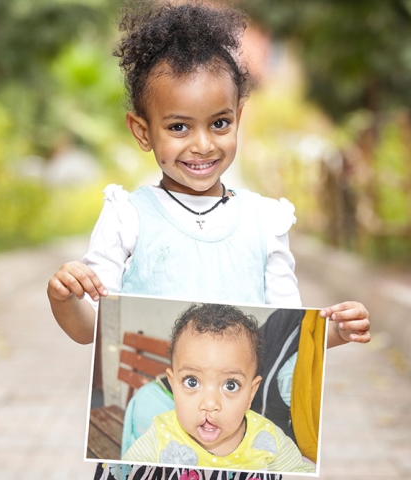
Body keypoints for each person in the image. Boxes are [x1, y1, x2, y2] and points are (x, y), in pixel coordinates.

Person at [46, 1, 371, 478]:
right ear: (142, 130)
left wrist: (333, 332)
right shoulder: (127, 217)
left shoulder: (265, 222)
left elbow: (287, 335)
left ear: (239, 116)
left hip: (237, 455)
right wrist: (65, 298)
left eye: (219, 123)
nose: (202, 144)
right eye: (178, 127)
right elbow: (91, 330)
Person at [122, 303, 316, 474]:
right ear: (173, 385)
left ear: (251, 392)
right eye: (192, 382)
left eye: (230, 385)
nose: (210, 404)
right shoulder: (159, 436)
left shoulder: (269, 439)